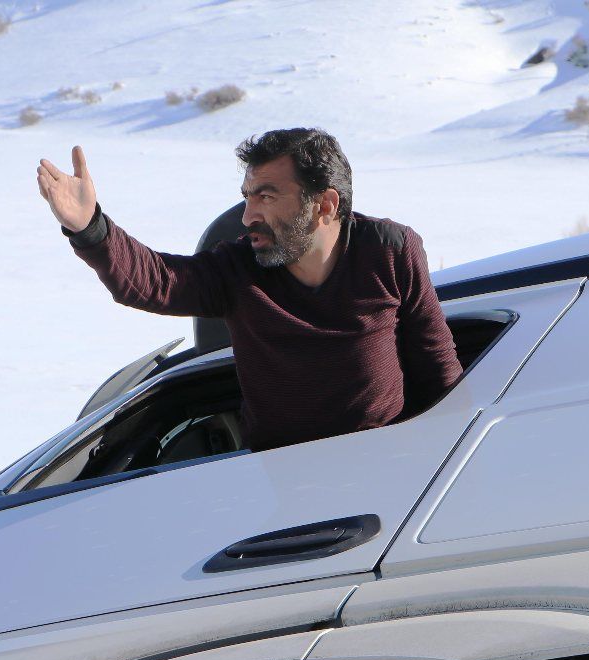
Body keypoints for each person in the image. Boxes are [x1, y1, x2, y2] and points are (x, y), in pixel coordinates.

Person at [37, 128, 462, 451]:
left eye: (266, 197)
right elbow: (156, 281)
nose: (247, 216)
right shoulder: (240, 268)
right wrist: (90, 228)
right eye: (247, 197)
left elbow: (439, 371)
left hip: (383, 466)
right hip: (279, 477)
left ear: (325, 205)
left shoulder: (389, 252)